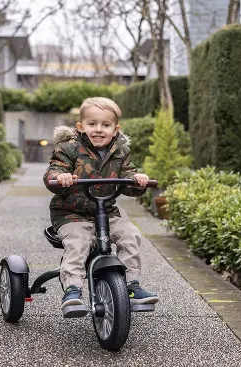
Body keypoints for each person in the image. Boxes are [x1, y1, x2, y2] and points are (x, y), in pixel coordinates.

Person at [43, 97, 159, 317]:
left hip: (105, 212)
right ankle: (73, 288)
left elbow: (128, 176)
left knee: (130, 234)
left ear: (115, 130)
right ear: (80, 127)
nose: (98, 130)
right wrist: (62, 177)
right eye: (92, 124)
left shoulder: (120, 151)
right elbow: (53, 171)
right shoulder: (69, 148)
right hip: (71, 213)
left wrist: (138, 180)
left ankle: (132, 285)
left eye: (105, 125)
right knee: (78, 241)